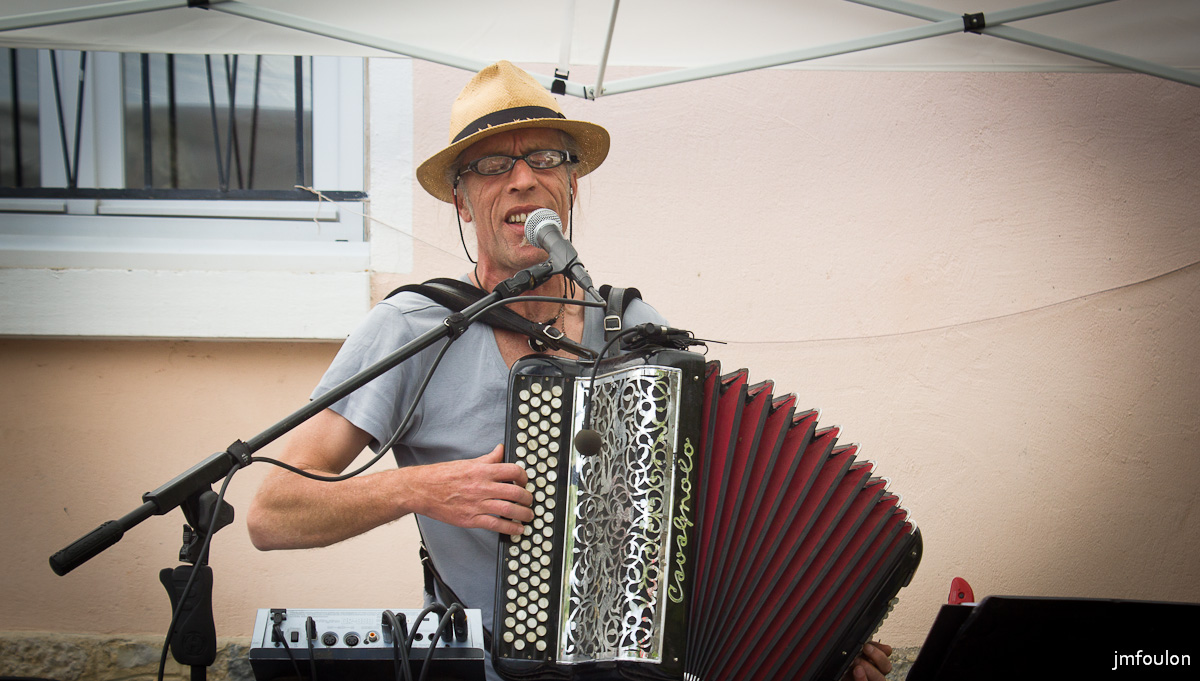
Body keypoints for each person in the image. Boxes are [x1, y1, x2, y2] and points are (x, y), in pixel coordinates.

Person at [246, 60, 893, 681]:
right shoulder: (416, 328)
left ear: (572, 184)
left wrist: (817, 635)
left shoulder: (635, 326)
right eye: (494, 165)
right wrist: (423, 490)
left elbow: (714, 519)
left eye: (546, 158)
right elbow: (273, 512)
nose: (523, 179)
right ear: (462, 200)